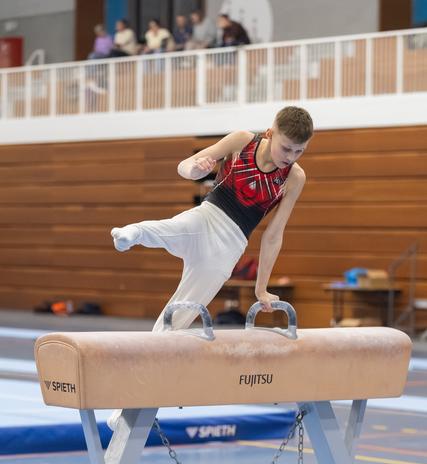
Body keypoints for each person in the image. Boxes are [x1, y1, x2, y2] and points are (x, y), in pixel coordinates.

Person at [111, 106, 313, 332]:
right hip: (205, 218)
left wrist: (261, 288)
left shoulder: (295, 177)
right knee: (172, 228)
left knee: (179, 317)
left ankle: (155, 352)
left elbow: (274, 235)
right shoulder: (243, 141)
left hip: (229, 247)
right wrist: (196, 171)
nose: (290, 157)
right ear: (269, 133)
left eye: (299, 151)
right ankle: (131, 234)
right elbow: (184, 167)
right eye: (286, 148)